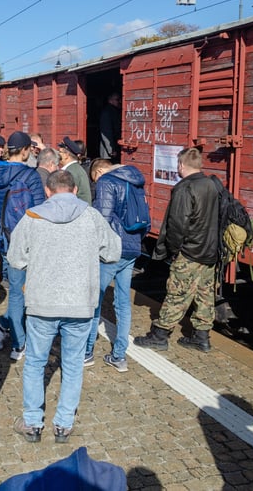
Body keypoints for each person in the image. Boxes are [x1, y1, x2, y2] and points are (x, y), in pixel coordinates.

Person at [10, 170, 121, 444]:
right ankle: (63, 424)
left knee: (35, 362)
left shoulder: (32, 217)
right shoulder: (91, 216)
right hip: (80, 303)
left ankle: (33, 422)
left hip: (42, 303)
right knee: (72, 364)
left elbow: (15, 259)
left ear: (47, 192)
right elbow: (113, 252)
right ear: (74, 191)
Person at [134, 147, 219, 352]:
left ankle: (160, 334)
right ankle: (202, 337)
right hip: (209, 250)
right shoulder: (212, 185)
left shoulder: (184, 188)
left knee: (176, 293)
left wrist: (173, 250)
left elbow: (177, 225)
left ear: (181, 165)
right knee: (204, 294)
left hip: (190, 251)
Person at [0, 131, 46, 360]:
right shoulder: (30, 176)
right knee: (30, 294)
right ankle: (15, 333)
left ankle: (17, 343)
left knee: (16, 292)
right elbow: (41, 209)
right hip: (30, 241)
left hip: (8, 238)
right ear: (24, 151)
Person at [85, 158, 149, 371]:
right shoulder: (137, 180)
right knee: (122, 303)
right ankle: (119, 356)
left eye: (95, 178)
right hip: (132, 247)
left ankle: (86, 352)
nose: (96, 182)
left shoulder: (107, 181)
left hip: (111, 250)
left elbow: (101, 218)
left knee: (95, 299)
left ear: (100, 170)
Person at [57, 137, 92, 204]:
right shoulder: (74, 169)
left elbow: (66, 198)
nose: (58, 154)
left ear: (66, 155)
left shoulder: (70, 172)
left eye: (60, 152)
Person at [99, 92, 122, 161]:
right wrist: (111, 149)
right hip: (109, 152)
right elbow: (106, 132)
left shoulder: (114, 111)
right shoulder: (107, 113)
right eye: (117, 99)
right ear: (110, 100)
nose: (120, 101)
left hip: (114, 147)